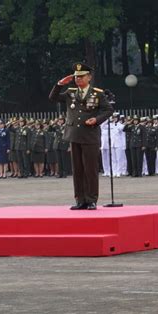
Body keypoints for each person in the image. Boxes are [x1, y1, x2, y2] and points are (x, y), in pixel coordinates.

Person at [49, 62, 113, 210]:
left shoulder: (97, 93)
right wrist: (59, 84)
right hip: (74, 135)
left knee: (90, 169)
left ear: (89, 77)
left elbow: (108, 110)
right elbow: (53, 97)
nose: (78, 79)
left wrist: (96, 120)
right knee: (77, 170)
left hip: (90, 136)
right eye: (76, 77)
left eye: (81, 77)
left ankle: (91, 199)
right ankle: (80, 199)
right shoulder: (71, 92)